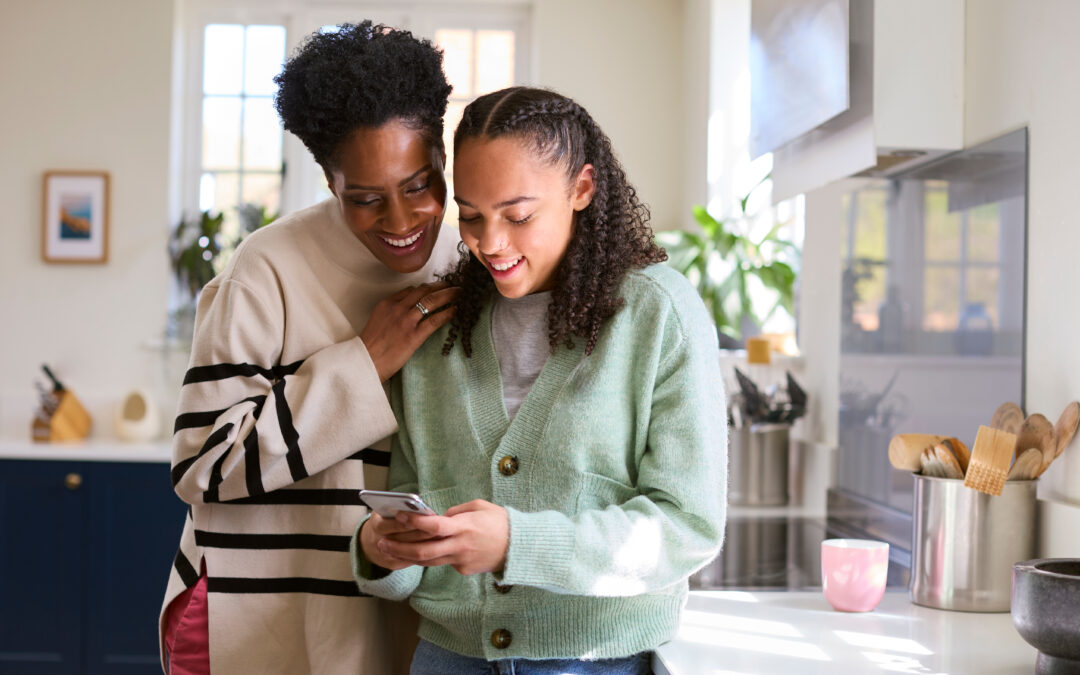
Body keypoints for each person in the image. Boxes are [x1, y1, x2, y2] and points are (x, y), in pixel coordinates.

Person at [353, 86, 727, 673]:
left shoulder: (659, 314)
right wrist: (381, 550)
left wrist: (517, 544)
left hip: (595, 661)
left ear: (581, 188)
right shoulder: (439, 333)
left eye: (518, 215)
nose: (490, 243)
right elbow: (411, 507)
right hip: (447, 658)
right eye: (471, 216)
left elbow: (686, 526)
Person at [159, 21, 461, 675]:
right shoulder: (267, 267)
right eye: (365, 199)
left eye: (418, 184)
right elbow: (200, 465)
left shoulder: (470, 259)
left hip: (398, 617)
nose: (402, 221)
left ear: (441, 152)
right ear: (330, 181)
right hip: (258, 614)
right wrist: (363, 363)